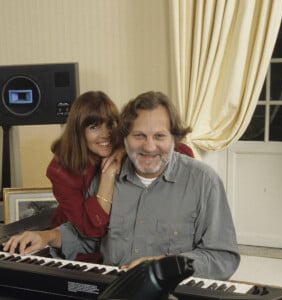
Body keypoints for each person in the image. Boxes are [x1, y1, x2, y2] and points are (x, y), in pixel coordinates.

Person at [3, 91, 240, 280]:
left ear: (174, 138)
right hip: (112, 289)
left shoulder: (204, 182)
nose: (149, 147)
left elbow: (223, 257)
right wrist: (47, 236)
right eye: (139, 136)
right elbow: (91, 237)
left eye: (159, 136)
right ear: (124, 137)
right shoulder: (104, 178)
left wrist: (166, 267)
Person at [46, 90, 123, 238]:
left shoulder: (124, 147)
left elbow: (177, 149)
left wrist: (126, 149)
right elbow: (93, 229)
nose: (105, 134)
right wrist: (108, 175)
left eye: (110, 124)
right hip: (78, 242)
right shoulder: (60, 171)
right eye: (94, 127)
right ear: (78, 131)